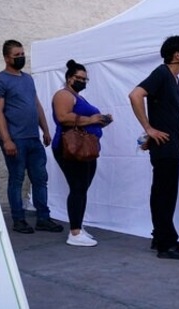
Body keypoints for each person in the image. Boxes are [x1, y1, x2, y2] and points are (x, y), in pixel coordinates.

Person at [128, 35, 179, 260]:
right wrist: (149, 128)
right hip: (165, 147)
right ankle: (165, 244)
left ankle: (162, 237)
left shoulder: (174, 79)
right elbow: (135, 94)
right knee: (164, 193)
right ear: (177, 54)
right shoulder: (162, 73)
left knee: (165, 192)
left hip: (171, 146)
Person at [0, 39, 63, 234]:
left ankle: (43, 218)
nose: (21, 58)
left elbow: (36, 105)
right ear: (6, 58)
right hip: (15, 140)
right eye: (17, 56)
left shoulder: (28, 79)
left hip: (33, 139)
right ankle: (19, 220)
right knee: (17, 179)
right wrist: (6, 140)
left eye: (22, 55)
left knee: (40, 179)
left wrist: (45, 130)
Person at [51, 59, 112, 247]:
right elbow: (63, 117)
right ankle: (75, 233)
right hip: (70, 148)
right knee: (78, 187)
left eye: (85, 79)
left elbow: (86, 118)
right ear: (69, 78)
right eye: (79, 78)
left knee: (82, 188)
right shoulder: (64, 95)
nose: (83, 82)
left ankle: (78, 226)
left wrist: (101, 120)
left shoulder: (78, 96)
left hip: (86, 148)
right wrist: (91, 119)